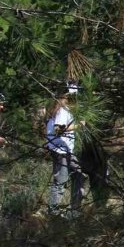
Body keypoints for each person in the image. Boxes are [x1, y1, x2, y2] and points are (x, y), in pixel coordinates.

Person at [45, 84, 85, 214]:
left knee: (78, 175)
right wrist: (78, 125)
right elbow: (58, 129)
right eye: (74, 95)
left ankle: (75, 208)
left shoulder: (64, 109)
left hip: (65, 150)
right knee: (61, 180)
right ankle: (53, 211)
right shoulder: (62, 110)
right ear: (68, 96)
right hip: (60, 151)